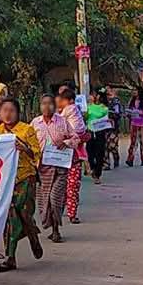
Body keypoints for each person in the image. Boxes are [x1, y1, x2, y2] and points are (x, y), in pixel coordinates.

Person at [0, 98, 44, 271]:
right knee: (9, 217)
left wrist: (23, 148)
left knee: (24, 213)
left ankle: (32, 233)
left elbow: (36, 154)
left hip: (25, 178)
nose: (8, 114)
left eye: (11, 110)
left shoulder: (26, 129)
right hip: (5, 180)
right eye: (4, 110)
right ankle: (11, 257)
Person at [31, 94, 77, 243]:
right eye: (44, 103)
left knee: (55, 198)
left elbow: (76, 138)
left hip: (60, 168)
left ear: (55, 106)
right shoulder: (35, 123)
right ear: (40, 106)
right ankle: (52, 227)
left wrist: (67, 142)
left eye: (50, 103)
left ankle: (56, 229)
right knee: (44, 200)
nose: (47, 106)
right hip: (42, 169)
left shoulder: (62, 122)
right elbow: (28, 141)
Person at [55, 85, 89, 224]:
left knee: (72, 185)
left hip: (69, 154)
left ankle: (70, 212)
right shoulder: (72, 111)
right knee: (66, 186)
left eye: (61, 99)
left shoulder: (69, 110)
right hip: (66, 153)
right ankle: (68, 211)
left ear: (67, 100)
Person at [85, 90, 112, 184]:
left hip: (100, 132)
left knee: (99, 154)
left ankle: (97, 174)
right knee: (89, 153)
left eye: (95, 95)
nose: (94, 97)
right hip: (90, 132)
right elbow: (85, 118)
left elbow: (106, 120)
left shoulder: (104, 108)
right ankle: (92, 168)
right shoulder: (89, 107)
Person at [126, 85, 143, 166]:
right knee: (133, 142)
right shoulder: (131, 101)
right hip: (134, 124)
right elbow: (128, 112)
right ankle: (130, 159)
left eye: (136, 90)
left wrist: (141, 113)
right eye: (133, 90)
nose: (134, 92)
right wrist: (129, 113)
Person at [105, 86, 123, 169]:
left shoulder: (116, 101)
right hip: (104, 126)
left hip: (114, 127)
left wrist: (111, 114)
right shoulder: (103, 101)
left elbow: (118, 113)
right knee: (105, 145)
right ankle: (106, 163)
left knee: (112, 145)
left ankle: (116, 158)